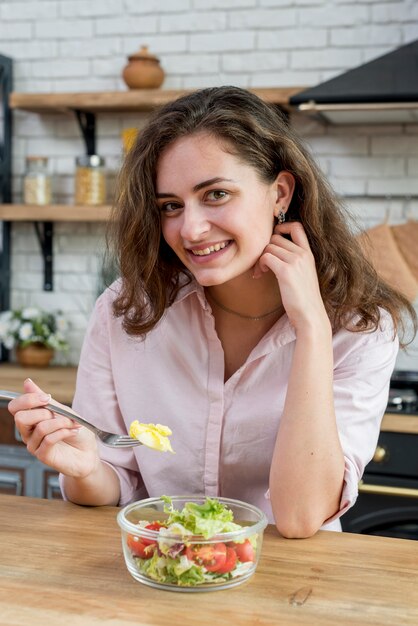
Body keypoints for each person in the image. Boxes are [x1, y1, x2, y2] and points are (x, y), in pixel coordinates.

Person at [9, 86, 417, 538]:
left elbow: (301, 519)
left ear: (280, 193)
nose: (191, 228)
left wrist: (313, 329)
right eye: (170, 206)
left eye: (217, 194)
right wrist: (84, 468)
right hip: (162, 574)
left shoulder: (359, 327)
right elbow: (112, 483)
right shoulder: (124, 311)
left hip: (295, 593)